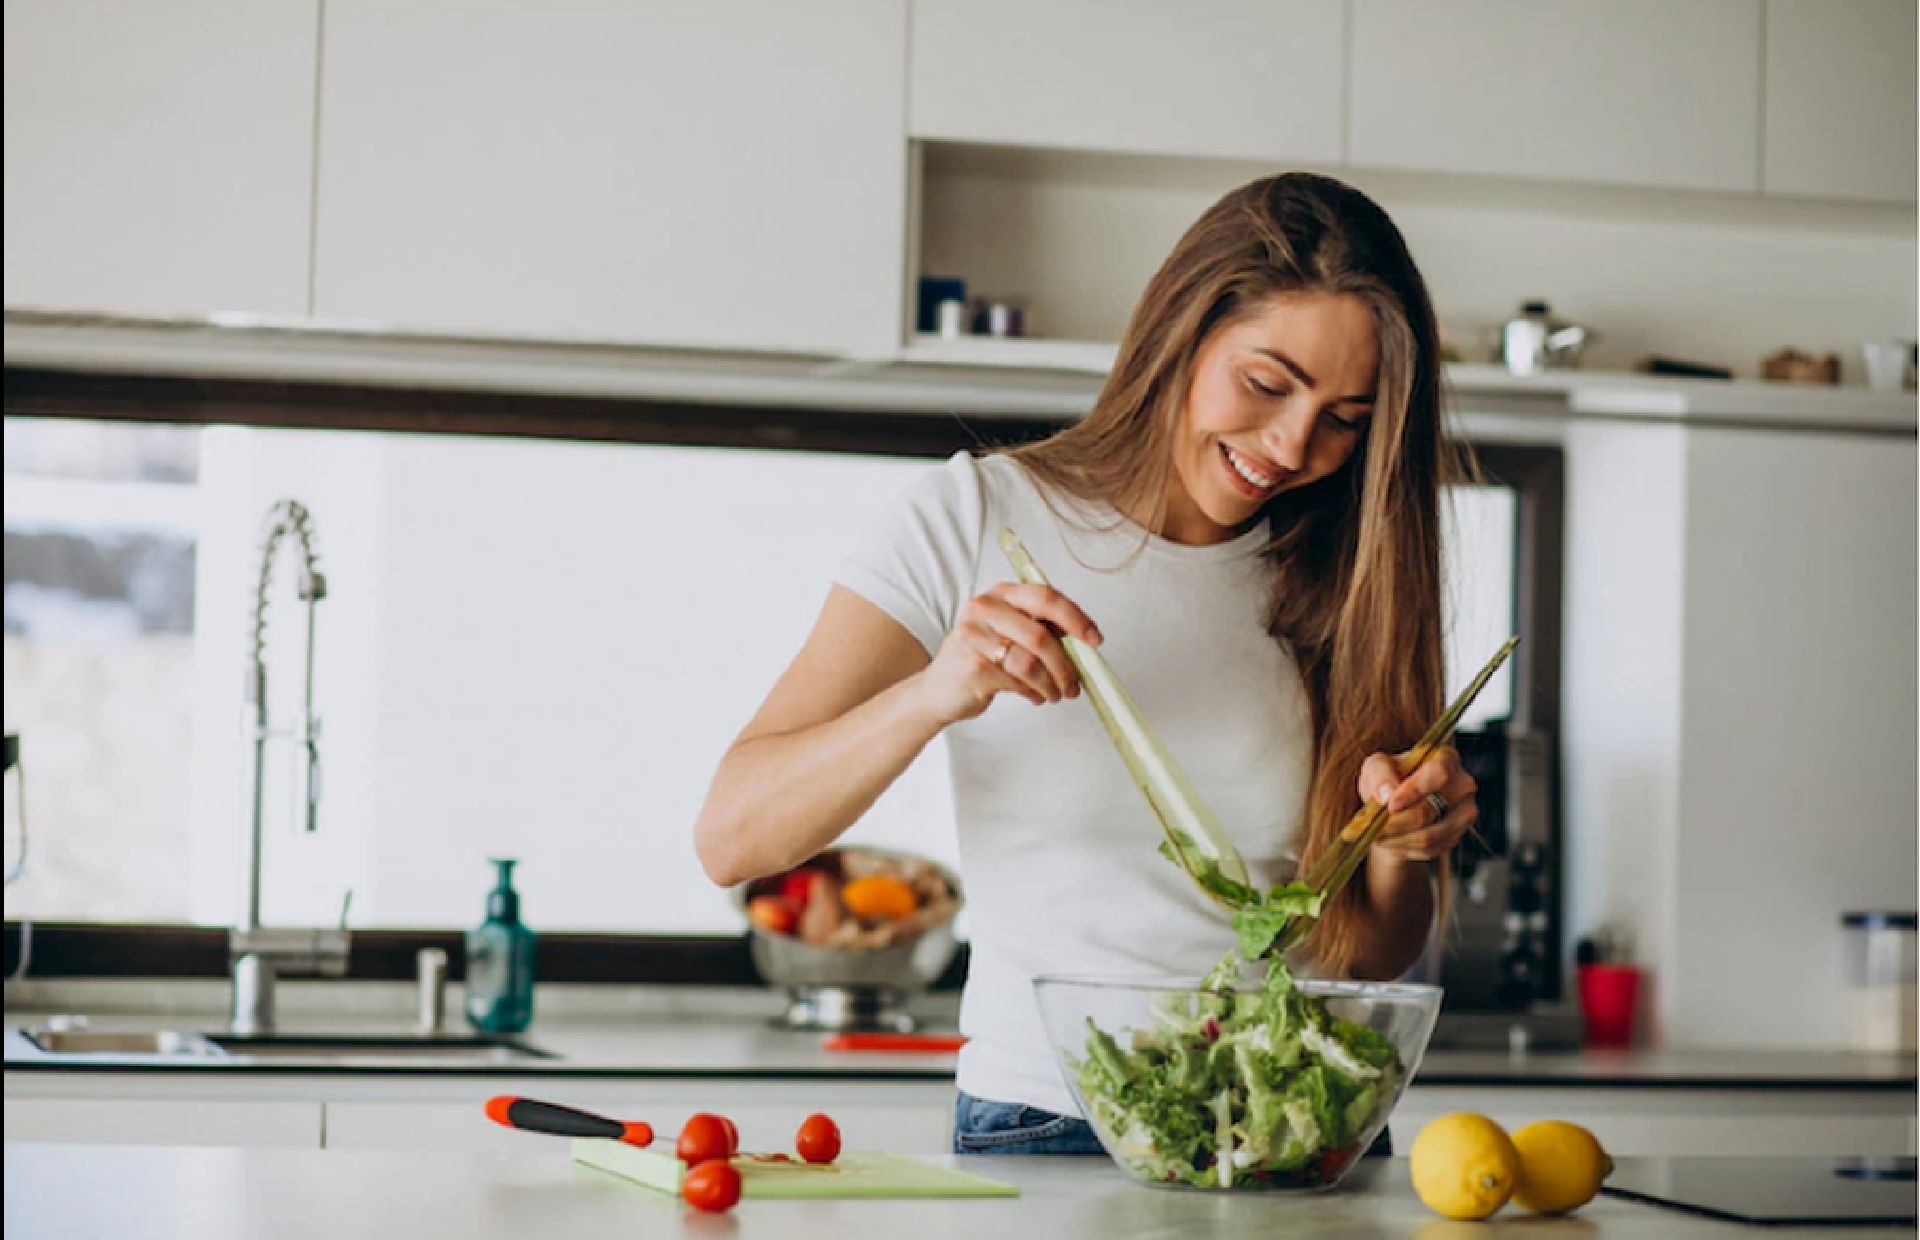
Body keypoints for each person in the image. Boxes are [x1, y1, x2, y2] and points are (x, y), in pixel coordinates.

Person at [694, 173, 1478, 1156]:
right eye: (1267, 384)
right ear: (1180, 334)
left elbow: (1364, 947)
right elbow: (733, 836)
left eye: (1345, 418)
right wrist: (936, 690)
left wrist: (1407, 844)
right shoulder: (972, 520)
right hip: (1051, 1118)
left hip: (1304, 1124)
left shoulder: (1349, 574)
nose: (1291, 445)